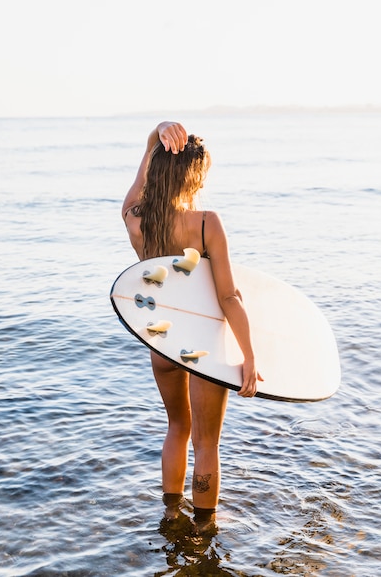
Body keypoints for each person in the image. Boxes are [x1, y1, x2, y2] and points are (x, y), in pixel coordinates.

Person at [122, 121, 262, 528]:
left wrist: (155, 135)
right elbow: (228, 297)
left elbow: (139, 175)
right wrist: (250, 357)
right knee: (206, 442)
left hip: (162, 346)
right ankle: (202, 530)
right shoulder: (206, 223)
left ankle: (169, 514)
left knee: (177, 426)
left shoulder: (136, 220)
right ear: (194, 177)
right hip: (204, 350)